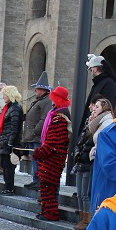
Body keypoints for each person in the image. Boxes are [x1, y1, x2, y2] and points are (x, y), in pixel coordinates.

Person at [72, 96, 113, 230]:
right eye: (94, 106)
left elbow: (98, 141)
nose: (94, 109)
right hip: (83, 158)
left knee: (86, 193)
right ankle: (83, 218)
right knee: (80, 192)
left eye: (97, 107)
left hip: (90, 160)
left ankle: (87, 220)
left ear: (104, 109)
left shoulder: (106, 122)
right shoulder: (93, 121)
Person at [32, 85, 71, 221]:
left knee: (49, 187)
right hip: (51, 158)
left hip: (53, 160)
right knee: (46, 187)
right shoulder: (56, 114)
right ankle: (47, 211)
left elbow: (54, 142)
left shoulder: (59, 118)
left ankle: (51, 213)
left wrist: (39, 152)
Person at [22, 72, 53, 190]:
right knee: (34, 158)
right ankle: (35, 179)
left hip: (37, 136)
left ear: (44, 90)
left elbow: (44, 118)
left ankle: (38, 180)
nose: (35, 91)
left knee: (37, 159)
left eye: (38, 89)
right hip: (32, 135)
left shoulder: (46, 102)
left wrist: (35, 131)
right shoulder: (40, 100)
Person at [0, 86, 24, 195]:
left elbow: (14, 127)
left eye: (5, 95)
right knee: (4, 165)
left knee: (8, 166)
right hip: (5, 140)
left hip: (10, 142)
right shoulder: (9, 107)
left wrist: (10, 142)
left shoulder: (15, 108)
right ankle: (7, 187)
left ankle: (9, 188)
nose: (3, 97)